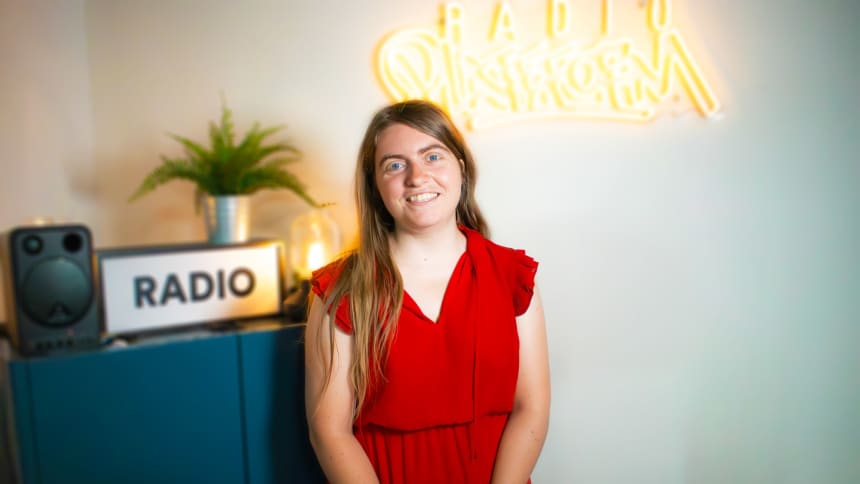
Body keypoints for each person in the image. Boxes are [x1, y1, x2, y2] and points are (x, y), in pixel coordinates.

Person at [304, 100, 550, 484]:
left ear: (462, 169)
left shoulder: (512, 278)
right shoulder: (338, 293)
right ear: (375, 185)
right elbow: (329, 432)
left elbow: (531, 409)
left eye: (432, 156)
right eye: (395, 165)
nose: (417, 177)